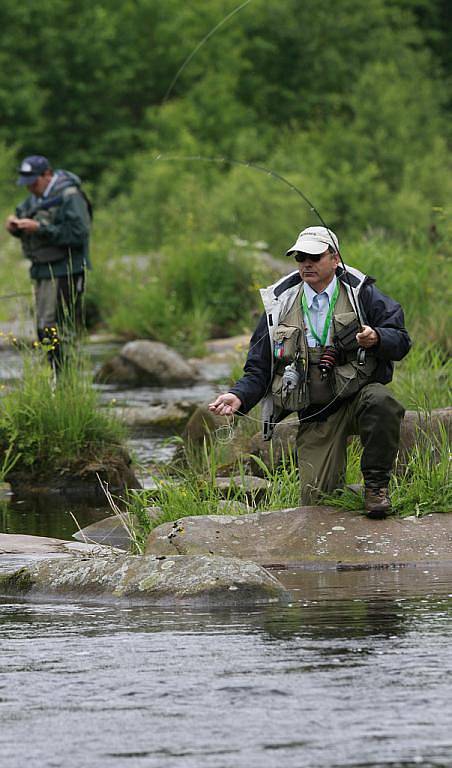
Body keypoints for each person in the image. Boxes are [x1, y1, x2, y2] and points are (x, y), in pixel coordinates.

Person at [209, 226, 411, 519]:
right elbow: (259, 367)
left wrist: (377, 338)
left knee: (382, 401)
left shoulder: (361, 292)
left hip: (357, 399)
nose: (306, 263)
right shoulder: (280, 303)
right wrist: (238, 396)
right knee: (319, 506)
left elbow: (402, 340)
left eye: (315, 256)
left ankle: (376, 487)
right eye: (300, 256)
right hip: (317, 414)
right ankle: (349, 492)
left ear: (335, 259)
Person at [5, 155, 91, 367]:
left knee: (59, 329)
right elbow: (25, 218)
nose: (30, 188)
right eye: (26, 184)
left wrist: (41, 228)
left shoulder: (70, 195)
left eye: (33, 182)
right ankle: (55, 381)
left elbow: (79, 234)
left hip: (65, 270)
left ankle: (67, 382)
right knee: (44, 329)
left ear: (47, 174)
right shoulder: (35, 198)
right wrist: (15, 228)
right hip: (42, 271)